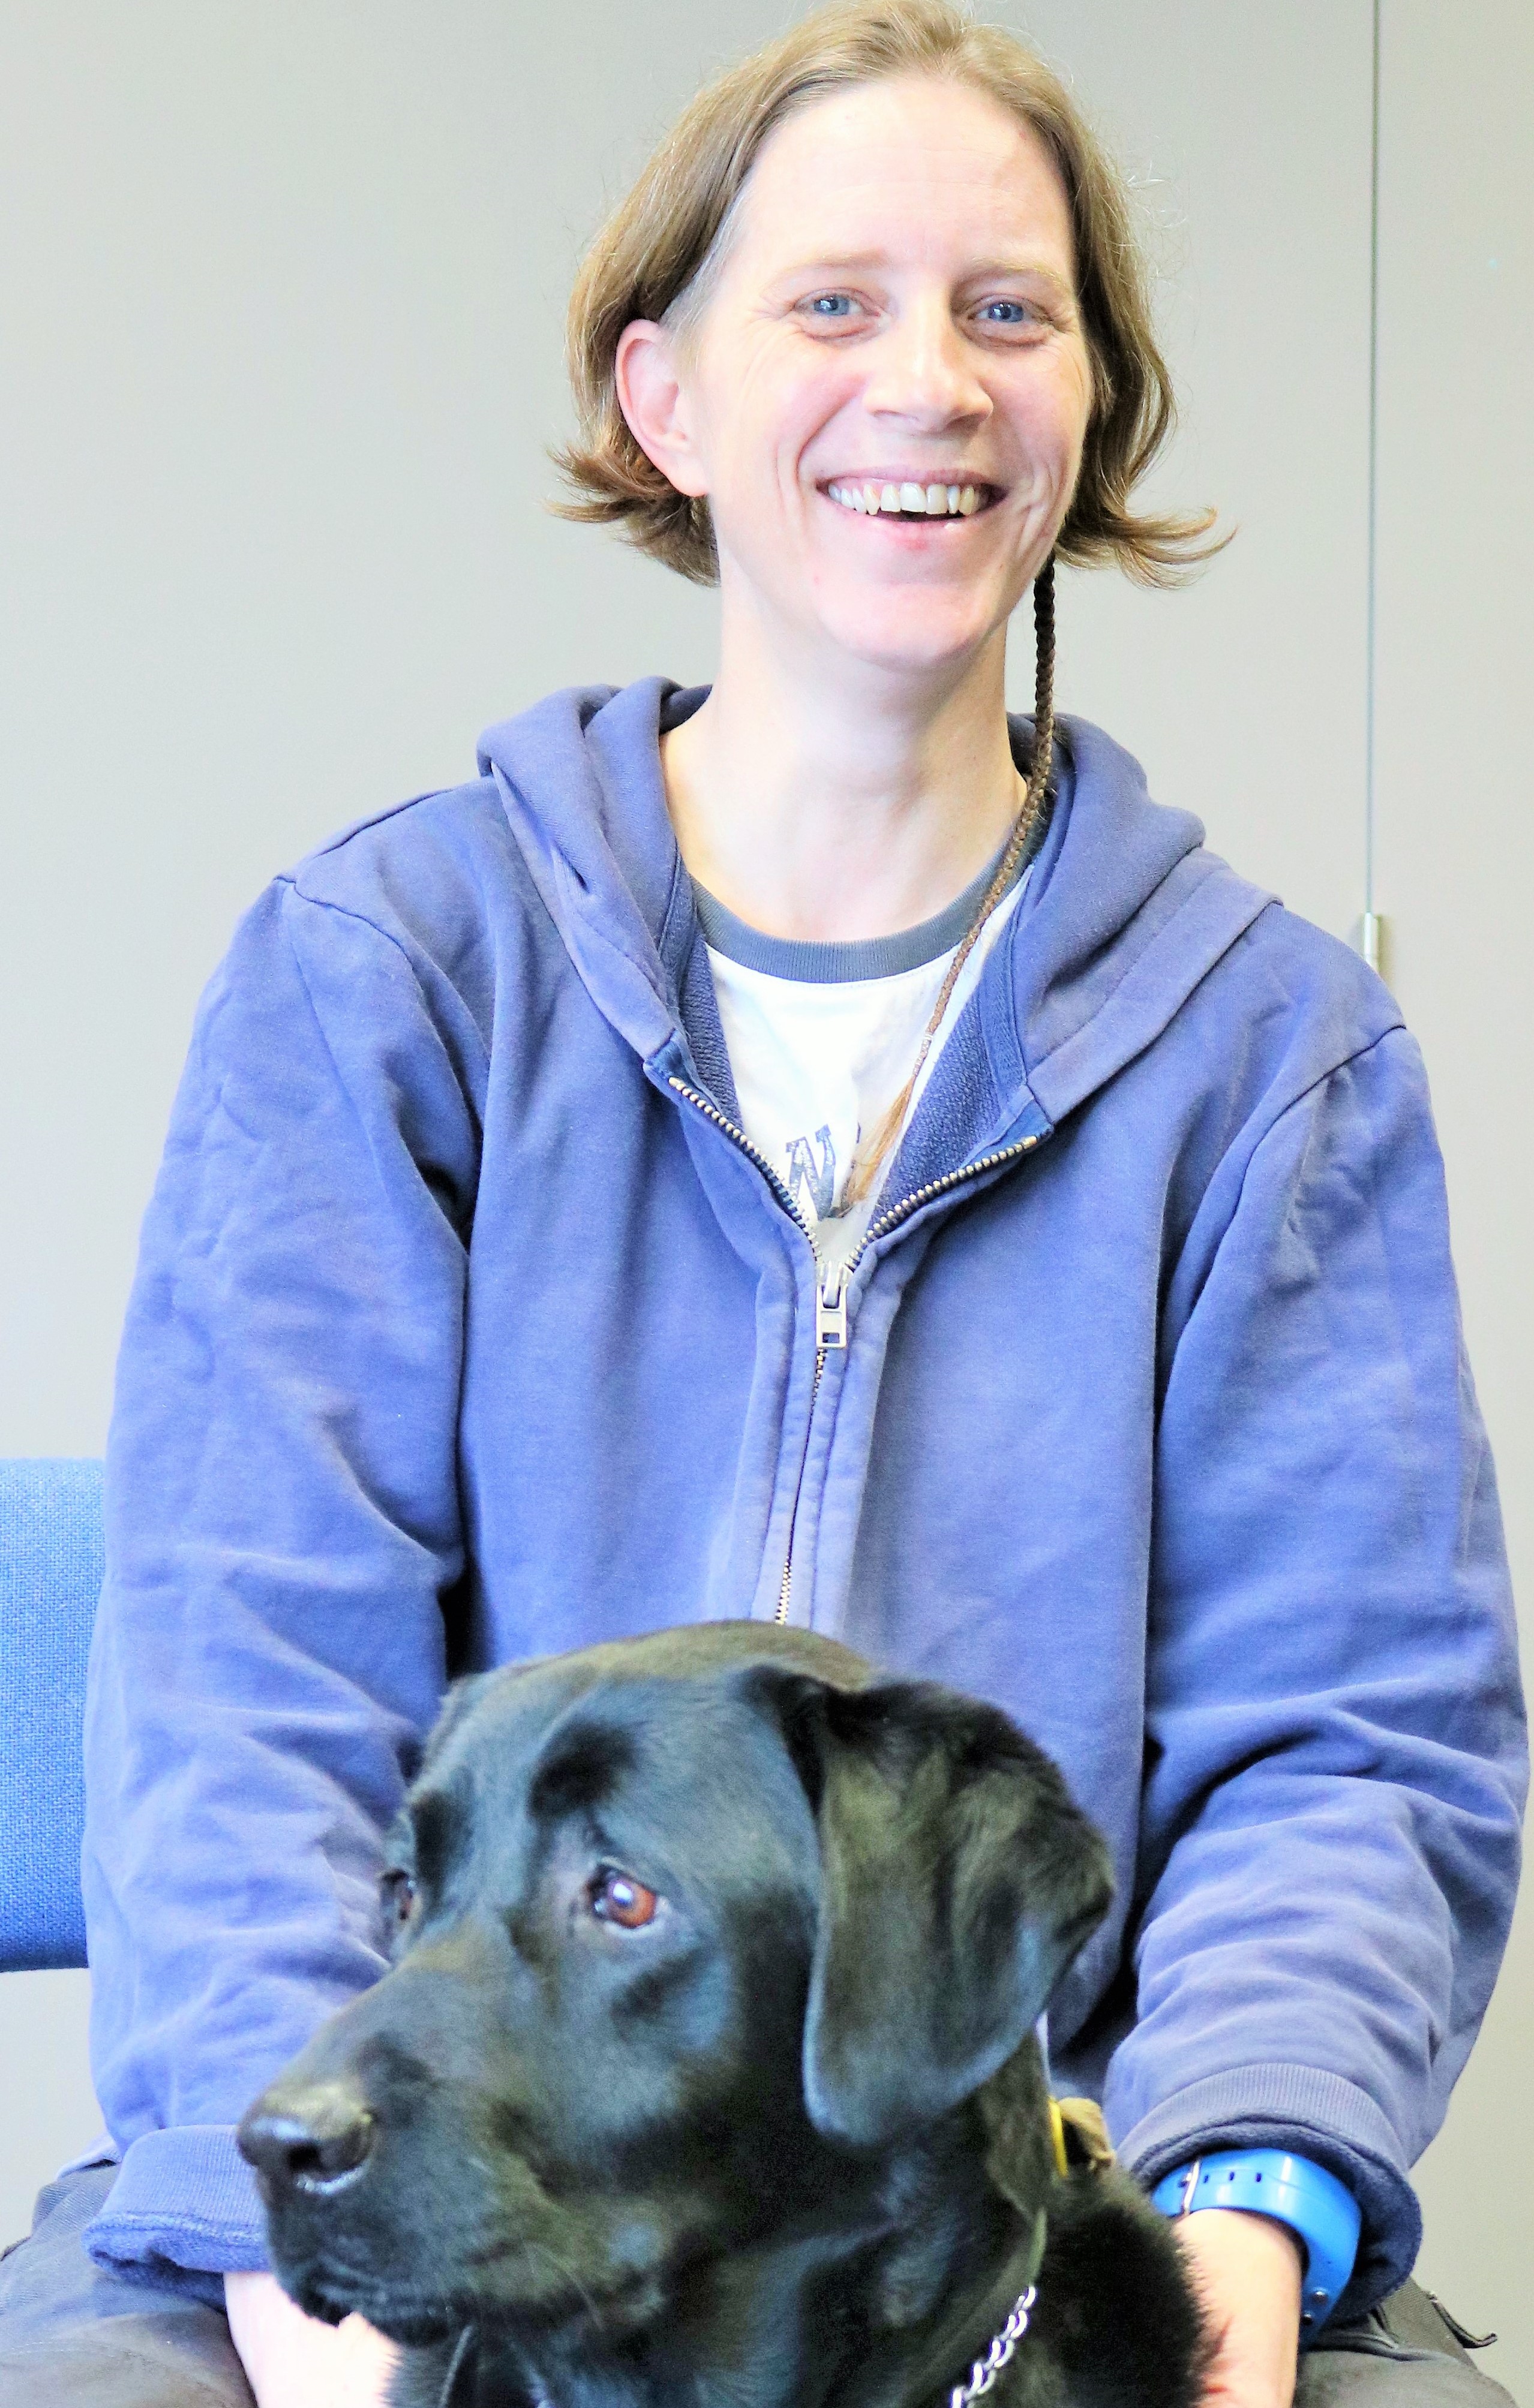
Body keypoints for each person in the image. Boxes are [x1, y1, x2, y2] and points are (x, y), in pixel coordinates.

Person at [0, 6, 1523, 2406]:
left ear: (1089, 411)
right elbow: (240, 1688)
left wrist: (1243, 2194)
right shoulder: (385, 973)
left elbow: (1349, 1746)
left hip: (999, 2196)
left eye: (1007, 310)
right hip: (427, 2191)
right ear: (665, 399)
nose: (927, 381)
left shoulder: (1273, 1055)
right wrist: (313, 2293)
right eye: (831, 301)